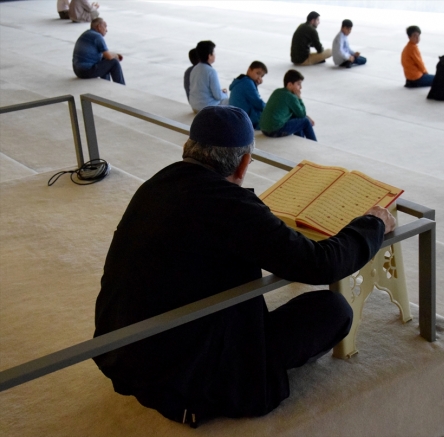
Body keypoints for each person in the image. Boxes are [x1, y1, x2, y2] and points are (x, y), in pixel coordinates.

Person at [92, 105, 396, 427]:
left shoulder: (155, 186)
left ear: (188, 149)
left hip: (122, 352)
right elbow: (320, 264)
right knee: (333, 310)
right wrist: (371, 225)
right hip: (183, 374)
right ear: (244, 162)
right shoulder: (230, 207)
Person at [260, 70, 316, 141]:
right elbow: (302, 114)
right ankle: (315, 144)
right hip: (275, 131)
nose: (300, 87)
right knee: (305, 121)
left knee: (298, 120)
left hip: (264, 129)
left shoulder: (277, 91)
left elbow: (297, 114)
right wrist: (299, 98)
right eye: (298, 84)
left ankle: (300, 141)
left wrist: (306, 116)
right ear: (289, 84)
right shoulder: (291, 97)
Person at [72, 18, 125, 85]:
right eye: (105, 26)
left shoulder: (87, 33)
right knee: (114, 62)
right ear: (99, 27)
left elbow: (105, 55)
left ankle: (106, 83)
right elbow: (109, 57)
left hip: (78, 71)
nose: (106, 30)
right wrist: (116, 56)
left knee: (104, 60)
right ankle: (121, 86)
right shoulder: (97, 37)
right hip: (85, 71)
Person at [189, 40, 229, 113]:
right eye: (213, 52)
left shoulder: (195, 68)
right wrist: (225, 94)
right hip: (206, 107)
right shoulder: (211, 71)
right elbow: (218, 96)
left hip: (194, 105)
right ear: (209, 56)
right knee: (230, 101)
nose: (215, 54)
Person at [229, 61, 268, 130]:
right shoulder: (247, 83)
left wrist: (256, 85)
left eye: (261, 76)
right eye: (257, 73)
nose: (259, 77)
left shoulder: (241, 80)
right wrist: (269, 108)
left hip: (236, 117)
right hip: (244, 120)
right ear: (249, 70)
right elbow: (258, 102)